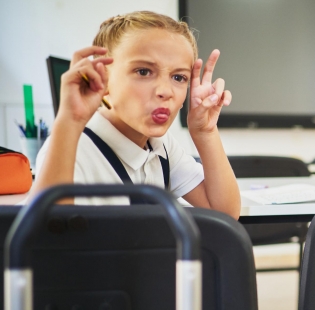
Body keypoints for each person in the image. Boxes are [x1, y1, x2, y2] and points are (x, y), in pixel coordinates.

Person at [31, 11, 241, 219]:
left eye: (178, 77)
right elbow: (49, 236)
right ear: (102, 77)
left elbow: (224, 213)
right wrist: (69, 122)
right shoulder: (72, 149)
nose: (165, 91)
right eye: (143, 72)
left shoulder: (161, 145)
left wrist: (205, 132)